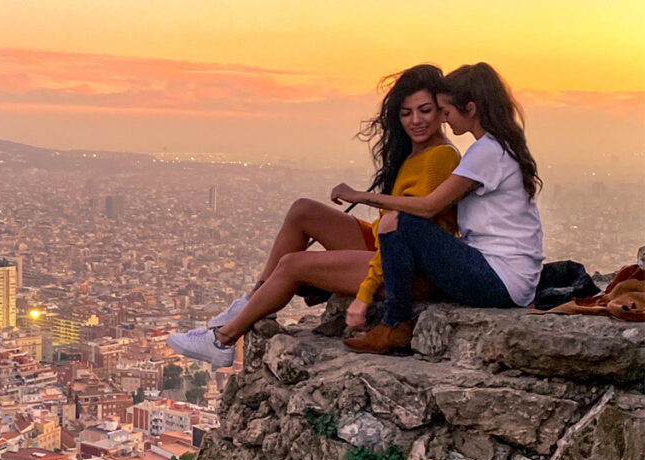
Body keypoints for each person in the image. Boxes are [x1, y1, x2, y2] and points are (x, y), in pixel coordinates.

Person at [167, 64, 461, 367]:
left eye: (424, 110)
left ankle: (223, 340)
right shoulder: (416, 153)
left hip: (407, 270)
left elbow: (404, 234)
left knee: (294, 265)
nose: (415, 120)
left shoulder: (440, 157)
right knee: (303, 211)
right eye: (406, 113)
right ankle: (251, 302)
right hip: (384, 248)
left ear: (441, 111)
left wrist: (363, 294)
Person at [334, 62, 544, 354]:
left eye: (446, 111)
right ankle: (392, 324)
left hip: (499, 280)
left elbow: (428, 206)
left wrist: (361, 196)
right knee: (401, 221)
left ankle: (394, 323)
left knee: (400, 221)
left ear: (469, 109)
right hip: (507, 277)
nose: (444, 119)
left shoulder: (486, 152)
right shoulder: (497, 147)